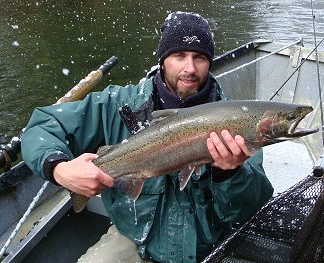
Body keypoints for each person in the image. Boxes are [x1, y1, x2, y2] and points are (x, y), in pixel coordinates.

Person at [21, 11, 274, 263]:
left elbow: (250, 208)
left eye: (199, 57)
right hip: (134, 240)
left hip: (208, 248)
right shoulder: (119, 105)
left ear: (210, 62)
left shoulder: (233, 120)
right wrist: (59, 169)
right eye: (179, 56)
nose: (190, 68)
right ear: (163, 60)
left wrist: (229, 174)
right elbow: (42, 126)